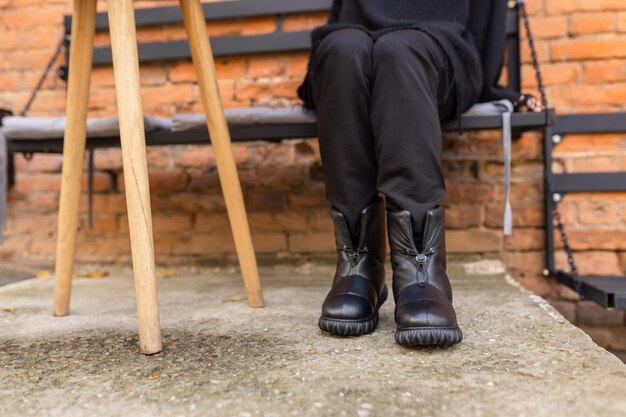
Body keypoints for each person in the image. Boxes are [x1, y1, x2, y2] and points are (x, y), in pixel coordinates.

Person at [296, 0, 542, 347]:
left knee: (399, 52)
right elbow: (342, 12)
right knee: (341, 49)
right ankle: (358, 264)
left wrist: (490, 88)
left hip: (435, 51)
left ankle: (420, 270)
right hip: (354, 47)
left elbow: (486, 18)